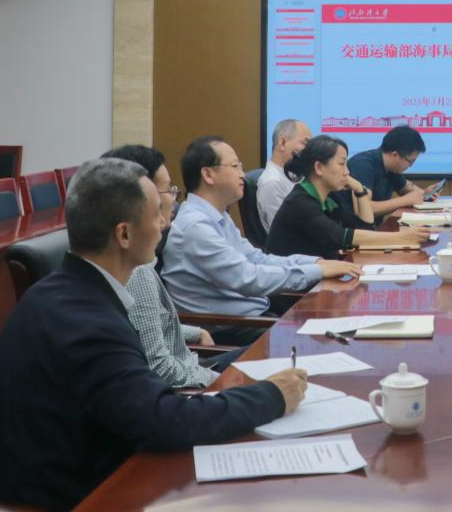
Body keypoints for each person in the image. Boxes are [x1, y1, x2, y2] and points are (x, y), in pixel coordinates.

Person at [0, 158, 307, 512]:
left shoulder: (67, 291)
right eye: (156, 213)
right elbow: (163, 421)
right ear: (124, 235)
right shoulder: (86, 323)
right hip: (70, 500)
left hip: (86, 475)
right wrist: (271, 396)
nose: (165, 223)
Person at [161, 136, 362, 343]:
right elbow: (248, 278)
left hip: (254, 318)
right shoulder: (196, 227)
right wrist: (317, 271)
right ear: (208, 174)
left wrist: (316, 263)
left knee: (336, 333)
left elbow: (258, 259)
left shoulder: (218, 218)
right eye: (235, 166)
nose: (242, 174)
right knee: (326, 341)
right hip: (230, 329)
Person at [102, 144, 225, 388]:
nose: (174, 200)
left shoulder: (133, 260)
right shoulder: (135, 269)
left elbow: (149, 325)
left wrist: (194, 332)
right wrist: (227, 382)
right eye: (169, 190)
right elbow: (159, 368)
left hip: (189, 366)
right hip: (187, 383)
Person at [267, 135, 432, 259]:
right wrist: (401, 238)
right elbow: (341, 237)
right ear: (319, 168)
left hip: (319, 275)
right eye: (341, 164)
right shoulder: (300, 202)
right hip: (296, 287)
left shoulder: (330, 198)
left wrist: (360, 190)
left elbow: (365, 230)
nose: (347, 171)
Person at [345, 125, 440, 218]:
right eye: (411, 161)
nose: (411, 165)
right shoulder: (363, 165)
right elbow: (362, 210)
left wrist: (426, 194)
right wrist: (403, 201)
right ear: (395, 155)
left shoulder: (393, 169)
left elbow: (411, 191)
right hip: (351, 226)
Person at [257, 118, 311, 232]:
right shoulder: (272, 183)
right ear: (282, 143)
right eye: (305, 143)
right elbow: (285, 232)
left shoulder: (293, 175)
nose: (309, 150)